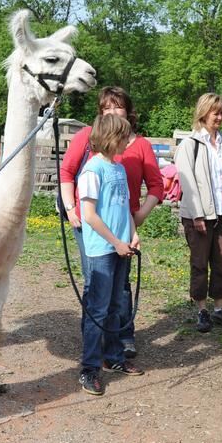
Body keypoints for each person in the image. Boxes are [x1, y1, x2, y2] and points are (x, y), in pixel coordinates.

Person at [58, 87, 161, 358]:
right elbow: (69, 175)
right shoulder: (92, 161)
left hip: (121, 229)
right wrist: (71, 208)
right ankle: (92, 355)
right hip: (98, 231)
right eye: (108, 108)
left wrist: (133, 228)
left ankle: (115, 349)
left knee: (118, 291)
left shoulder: (121, 163)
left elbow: (137, 195)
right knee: (97, 288)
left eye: (119, 107)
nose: (114, 112)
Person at [76, 114, 144, 396]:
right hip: (102, 250)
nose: (128, 141)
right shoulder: (93, 170)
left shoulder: (118, 169)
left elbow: (125, 207)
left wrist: (132, 234)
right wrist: (116, 241)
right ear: (110, 137)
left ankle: (113, 357)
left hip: (120, 247)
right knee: (98, 309)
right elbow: (89, 216)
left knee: (117, 305)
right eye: (123, 136)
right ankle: (89, 368)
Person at [175, 93, 222, 333]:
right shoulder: (190, 144)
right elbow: (187, 181)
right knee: (200, 263)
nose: (220, 117)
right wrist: (197, 214)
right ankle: (201, 309)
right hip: (198, 214)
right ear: (204, 113)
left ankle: (220, 307)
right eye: (216, 112)